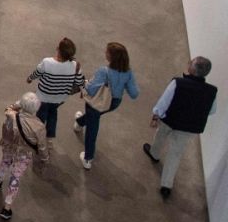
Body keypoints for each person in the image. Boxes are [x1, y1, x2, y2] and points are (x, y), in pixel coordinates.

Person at [145, 56, 217, 201]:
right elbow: (211, 110)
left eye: (190, 63)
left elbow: (164, 102)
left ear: (192, 68)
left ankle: (155, 153)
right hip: (188, 127)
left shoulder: (178, 83)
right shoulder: (212, 91)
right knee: (175, 153)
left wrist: (155, 116)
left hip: (170, 120)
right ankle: (166, 185)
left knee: (161, 135)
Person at [74, 42, 138, 170]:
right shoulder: (128, 72)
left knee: (92, 127)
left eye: (107, 52)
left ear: (112, 57)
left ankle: (87, 158)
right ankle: (79, 122)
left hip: (97, 102)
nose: (105, 53)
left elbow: (91, 90)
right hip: (113, 103)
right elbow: (134, 93)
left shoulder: (104, 71)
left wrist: (84, 83)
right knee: (94, 116)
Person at [0, 92, 47, 220]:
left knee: (5, 162)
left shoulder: (11, 115)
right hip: (23, 153)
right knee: (15, 176)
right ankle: (7, 207)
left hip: (10, 146)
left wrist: (19, 103)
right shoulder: (39, 126)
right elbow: (42, 146)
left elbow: (10, 108)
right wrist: (44, 158)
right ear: (37, 107)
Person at [26, 37, 84, 143]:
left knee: (41, 116)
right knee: (53, 113)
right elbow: (80, 81)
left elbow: (37, 73)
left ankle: (38, 135)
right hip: (60, 97)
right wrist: (83, 91)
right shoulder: (75, 65)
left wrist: (30, 78)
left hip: (43, 96)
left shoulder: (47, 62)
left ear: (58, 49)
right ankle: (49, 138)